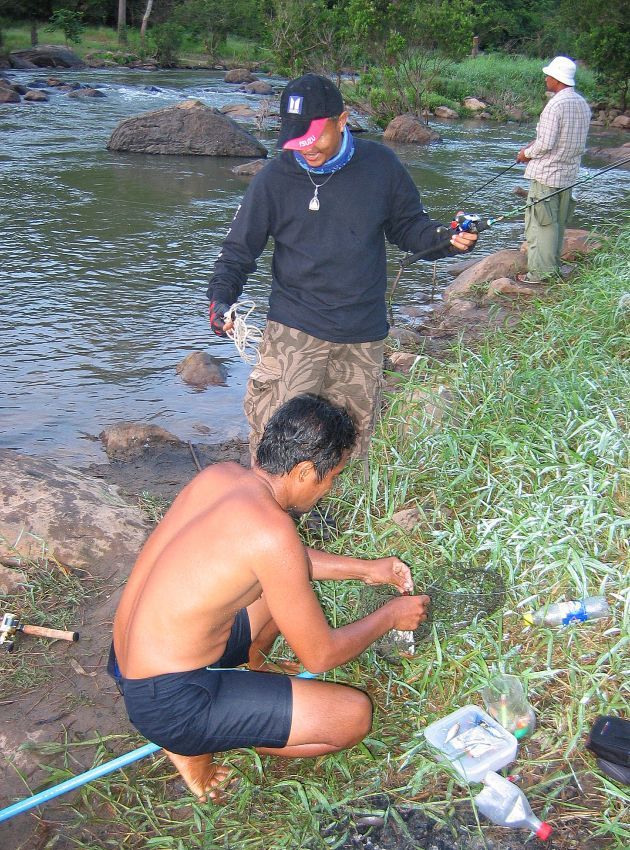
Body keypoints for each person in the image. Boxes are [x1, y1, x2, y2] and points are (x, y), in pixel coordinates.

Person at [110, 394, 430, 801]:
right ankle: (198, 745)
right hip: (170, 702)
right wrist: (390, 615)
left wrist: (366, 568)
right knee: (354, 716)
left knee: (278, 592)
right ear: (304, 472)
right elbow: (321, 656)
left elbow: (279, 562)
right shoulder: (271, 533)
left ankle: (252, 678)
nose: (330, 487)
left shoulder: (222, 477)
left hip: (127, 662)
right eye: (332, 476)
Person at [207, 73, 478, 461]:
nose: (306, 149)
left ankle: (338, 518)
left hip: (362, 334)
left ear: (342, 120)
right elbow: (236, 252)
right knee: (276, 444)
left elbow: (410, 229)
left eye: (314, 136)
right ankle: (271, 518)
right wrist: (220, 300)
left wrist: (448, 237)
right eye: (296, 139)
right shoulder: (273, 179)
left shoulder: (380, 165)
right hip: (294, 331)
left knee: (349, 446)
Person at [516, 56, 591, 283]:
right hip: (568, 176)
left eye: (548, 75)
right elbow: (565, 140)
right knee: (557, 224)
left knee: (541, 225)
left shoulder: (555, 104)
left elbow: (546, 144)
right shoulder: (581, 103)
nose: (546, 78)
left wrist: (525, 154)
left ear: (557, 79)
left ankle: (539, 275)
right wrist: (534, 145)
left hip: (547, 175)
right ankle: (553, 268)